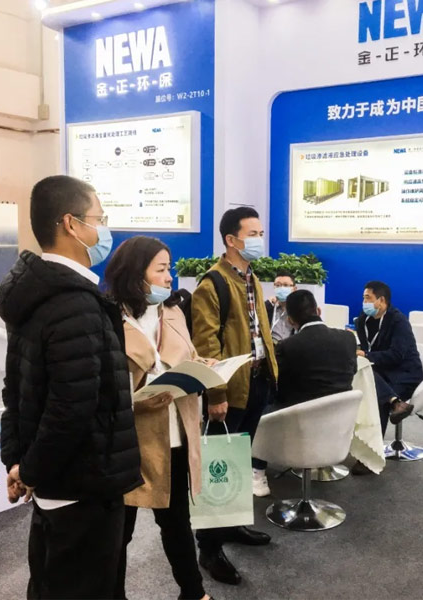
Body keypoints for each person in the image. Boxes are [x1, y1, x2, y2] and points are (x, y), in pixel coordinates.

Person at [0, 175, 142, 600]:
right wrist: (29, 471)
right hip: (84, 484)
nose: (104, 229)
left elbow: (15, 388)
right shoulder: (74, 304)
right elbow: (71, 408)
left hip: (56, 484)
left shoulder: (36, 292)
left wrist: (19, 464)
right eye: (99, 218)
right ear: (71, 224)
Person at [106, 236, 211, 600]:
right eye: (161, 269)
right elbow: (99, 387)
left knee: (177, 522)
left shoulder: (174, 312)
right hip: (129, 441)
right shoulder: (108, 319)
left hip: (176, 434)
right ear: (135, 273)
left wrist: (204, 367)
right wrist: (140, 399)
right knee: (120, 530)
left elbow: (188, 356)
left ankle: (194, 592)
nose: (170, 277)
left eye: (170, 268)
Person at [191, 206, 277, 585]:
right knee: (219, 466)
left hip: (256, 381)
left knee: (239, 459)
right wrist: (215, 392)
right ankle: (209, 548)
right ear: (231, 239)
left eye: (261, 233)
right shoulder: (212, 284)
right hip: (229, 389)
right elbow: (206, 344)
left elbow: (260, 330)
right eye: (253, 234)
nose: (259, 240)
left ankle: (232, 526)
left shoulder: (251, 277)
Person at [355, 281, 423, 435]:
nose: (364, 303)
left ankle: (375, 447)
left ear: (381, 300)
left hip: (404, 373)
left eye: (368, 298)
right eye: (363, 298)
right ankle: (395, 402)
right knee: (361, 376)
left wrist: (367, 355)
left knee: (376, 397)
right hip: (380, 372)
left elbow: (397, 355)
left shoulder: (398, 321)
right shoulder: (362, 321)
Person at [275, 290, 357, 408]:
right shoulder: (348, 338)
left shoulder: (286, 346)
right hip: (343, 413)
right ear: (318, 311)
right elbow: (353, 370)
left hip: (300, 414)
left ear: (290, 320)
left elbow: (280, 386)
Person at [265, 270, 297, 343]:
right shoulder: (269, 308)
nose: (281, 288)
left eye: (285, 285)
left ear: (294, 289)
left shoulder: (299, 310)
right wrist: (267, 305)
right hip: (271, 347)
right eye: (278, 285)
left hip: (292, 347)